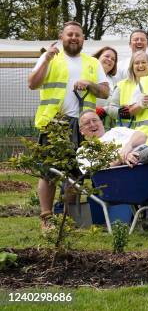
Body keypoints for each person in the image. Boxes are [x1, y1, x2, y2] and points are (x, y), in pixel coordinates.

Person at [27, 21, 110, 228]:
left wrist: (89, 84)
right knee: (49, 172)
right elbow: (32, 84)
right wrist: (45, 58)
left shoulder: (92, 63)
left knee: (76, 173)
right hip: (54, 123)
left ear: (83, 39)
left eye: (78, 35)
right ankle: (46, 219)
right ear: (61, 37)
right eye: (70, 34)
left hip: (83, 125)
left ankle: (66, 217)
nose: (74, 38)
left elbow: (105, 92)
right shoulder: (50, 58)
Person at [106, 50, 148, 128]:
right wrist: (122, 112)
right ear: (132, 66)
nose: (140, 66)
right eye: (136, 63)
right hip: (126, 133)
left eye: (143, 62)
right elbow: (111, 109)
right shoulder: (121, 85)